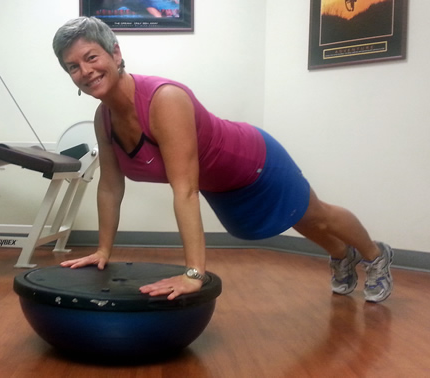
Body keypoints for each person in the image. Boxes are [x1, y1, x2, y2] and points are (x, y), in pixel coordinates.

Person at [52, 16, 394, 303]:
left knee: (314, 214)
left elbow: (185, 190)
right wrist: (102, 251)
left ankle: (375, 255)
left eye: (91, 57)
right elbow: (110, 187)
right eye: (73, 66)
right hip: (223, 185)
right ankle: (340, 253)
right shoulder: (104, 119)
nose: (85, 70)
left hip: (254, 161)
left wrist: (193, 273)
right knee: (297, 218)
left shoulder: (164, 99)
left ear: (115, 53)